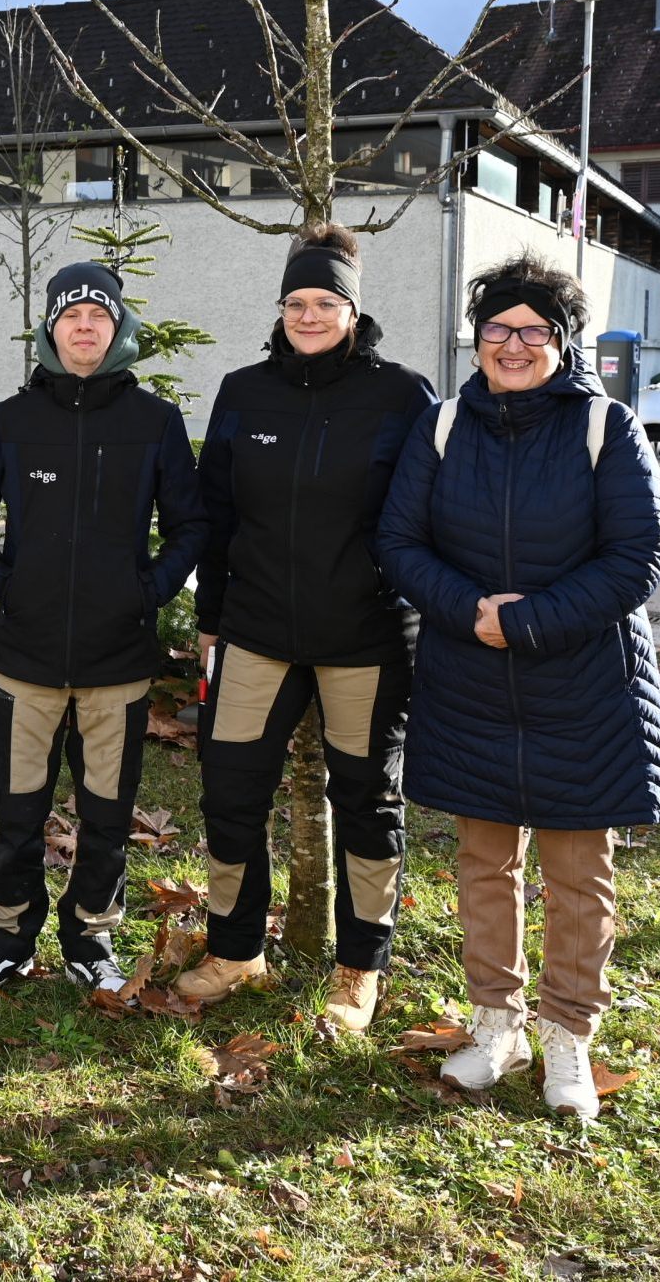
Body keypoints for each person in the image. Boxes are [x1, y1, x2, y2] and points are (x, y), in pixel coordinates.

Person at [376, 249, 660, 1122]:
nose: (513, 344)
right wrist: (471, 610)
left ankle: (568, 1037)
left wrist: (528, 620)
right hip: (471, 681)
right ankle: (495, 1021)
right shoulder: (440, 428)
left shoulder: (605, 429)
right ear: (477, 339)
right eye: (499, 328)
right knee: (484, 862)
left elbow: (638, 559)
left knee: (579, 872)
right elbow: (399, 544)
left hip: (581, 684)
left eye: (533, 331)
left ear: (562, 341)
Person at [172, 225, 437, 1032]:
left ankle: (360, 967)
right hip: (253, 632)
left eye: (327, 301)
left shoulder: (403, 396)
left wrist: (415, 621)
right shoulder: (244, 391)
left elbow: (426, 519)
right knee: (230, 789)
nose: (310, 314)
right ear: (280, 309)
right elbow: (214, 516)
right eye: (297, 301)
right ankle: (236, 948)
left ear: (354, 310)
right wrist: (211, 621)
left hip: (364, 638)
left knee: (367, 801)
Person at [0, 261, 203, 992]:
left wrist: (145, 591)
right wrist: (2, 583)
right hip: (23, 657)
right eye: (70, 315)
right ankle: (7, 934)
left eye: (98, 313)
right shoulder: (11, 419)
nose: (84, 325)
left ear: (118, 327)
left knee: (107, 814)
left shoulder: (154, 422)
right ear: (50, 329)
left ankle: (91, 938)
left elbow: (190, 525)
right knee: (16, 807)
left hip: (116, 658)